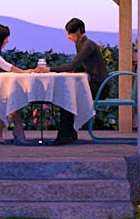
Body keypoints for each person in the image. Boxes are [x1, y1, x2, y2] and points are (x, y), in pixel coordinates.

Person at [38, 17, 108, 145]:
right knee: (67, 94)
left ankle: (64, 135)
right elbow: (80, 66)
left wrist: (50, 69)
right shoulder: (80, 44)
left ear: (79, 31)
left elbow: (73, 64)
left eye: (70, 33)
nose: (68, 37)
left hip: (100, 87)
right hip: (91, 83)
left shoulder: (88, 45)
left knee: (67, 95)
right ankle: (69, 133)